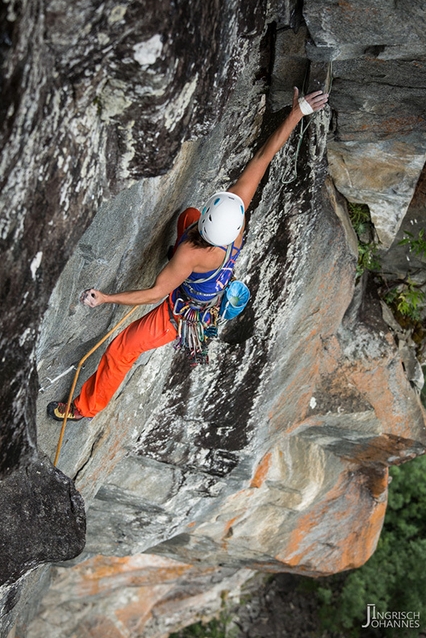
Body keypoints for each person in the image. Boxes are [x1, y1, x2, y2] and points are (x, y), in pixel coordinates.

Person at [48, 87, 328, 421]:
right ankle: (185, 268)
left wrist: (106, 298)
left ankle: (83, 408)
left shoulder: (188, 255)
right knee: (187, 215)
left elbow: (155, 293)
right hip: (204, 277)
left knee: (122, 348)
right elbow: (262, 159)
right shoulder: (236, 217)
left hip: (181, 313)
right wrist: (298, 112)